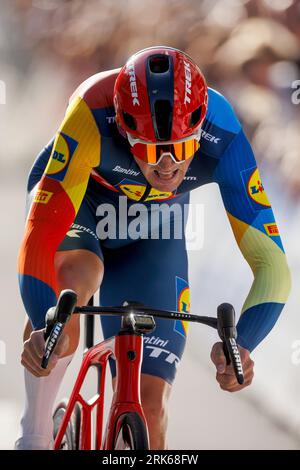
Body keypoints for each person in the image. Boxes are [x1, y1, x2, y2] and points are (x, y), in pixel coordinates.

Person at [16, 46, 291, 450]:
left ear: (200, 133)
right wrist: (45, 323)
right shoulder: (91, 110)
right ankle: (35, 434)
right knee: (74, 291)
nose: (165, 166)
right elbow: (40, 239)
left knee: (150, 407)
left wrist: (243, 344)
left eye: (181, 149)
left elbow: (273, 266)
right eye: (148, 149)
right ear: (124, 131)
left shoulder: (224, 134)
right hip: (81, 203)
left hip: (155, 229)